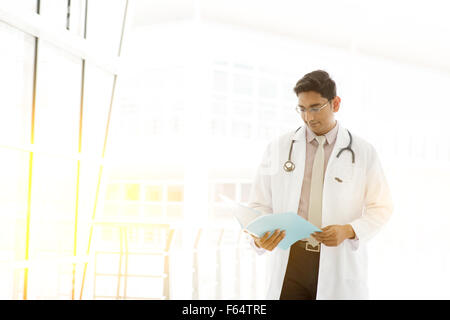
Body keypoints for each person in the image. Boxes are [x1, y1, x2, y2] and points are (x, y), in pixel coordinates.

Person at [247, 70, 393, 300]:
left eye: (315, 108)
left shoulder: (363, 152)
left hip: (337, 262)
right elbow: (259, 203)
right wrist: (258, 235)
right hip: (291, 262)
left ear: (335, 103)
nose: (308, 117)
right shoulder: (278, 148)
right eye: (302, 109)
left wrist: (349, 230)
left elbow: (382, 207)